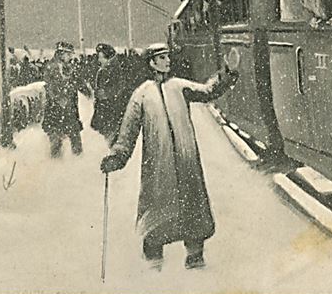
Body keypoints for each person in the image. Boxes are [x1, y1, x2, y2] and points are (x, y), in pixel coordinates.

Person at [100, 43, 239, 271]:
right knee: (156, 218)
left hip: (186, 163)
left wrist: (228, 72)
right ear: (151, 62)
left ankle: (196, 263)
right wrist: (116, 158)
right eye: (162, 58)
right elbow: (128, 133)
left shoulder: (179, 87)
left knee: (193, 213)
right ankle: (154, 272)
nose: (168, 61)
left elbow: (209, 91)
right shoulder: (141, 95)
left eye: (167, 57)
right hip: (158, 167)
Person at [42, 41, 91, 158]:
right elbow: (50, 87)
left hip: (69, 111)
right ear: (61, 53)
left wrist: (87, 92)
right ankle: (56, 167)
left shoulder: (69, 67)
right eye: (68, 54)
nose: (70, 57)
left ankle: (77, 165)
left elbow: (77, 81)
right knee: (57, 142)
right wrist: (60, 99)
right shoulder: (52, 67)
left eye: (71, 54)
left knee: (75, 139)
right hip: (56, 110)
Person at [90, 43, 132, 145]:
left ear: (108, 58)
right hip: (105, 109)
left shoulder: (114, 70)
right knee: (107, 136)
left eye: (101, 57)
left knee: (110, 138)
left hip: (111, 109)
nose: (99, 60)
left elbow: (120, 87)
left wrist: (106, 94)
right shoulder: (105, 70)